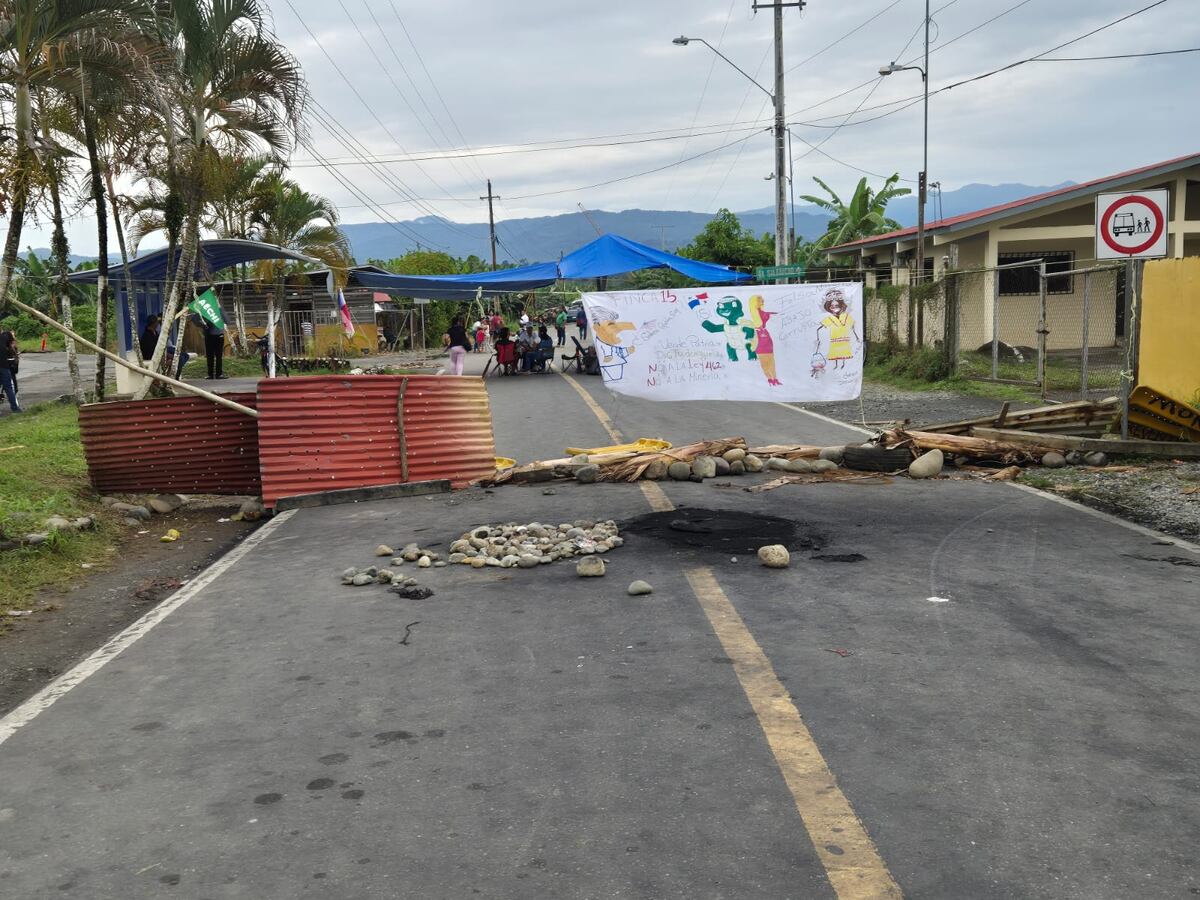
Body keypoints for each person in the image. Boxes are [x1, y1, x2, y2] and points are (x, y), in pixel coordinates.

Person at [0, 328, 21, 414]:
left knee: (8, 387)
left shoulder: (5, 336)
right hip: (4, 366)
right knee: (9, 387)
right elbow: (12, 345)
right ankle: (15, 408)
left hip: (4, 366)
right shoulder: (5, 337)